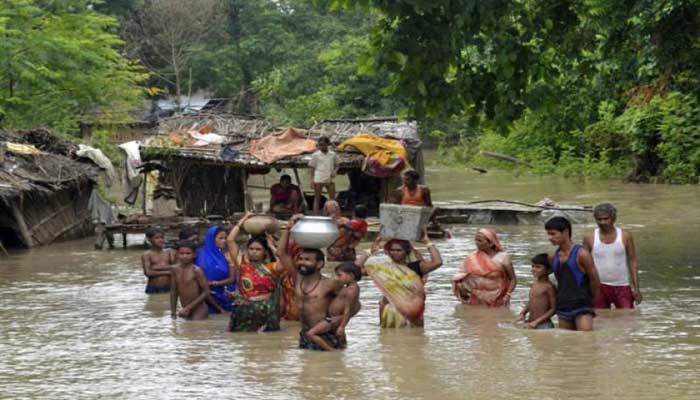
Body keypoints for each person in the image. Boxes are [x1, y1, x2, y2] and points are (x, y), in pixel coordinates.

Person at [278, 214, 346, 350]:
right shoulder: (298, 278)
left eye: (307, 260)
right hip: (305, 335)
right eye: (300, 259)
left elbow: (352, 305)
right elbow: (281, 253)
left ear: (320, 264)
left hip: (325, 336)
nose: (302, 263)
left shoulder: (331, 283)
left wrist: (338, 325)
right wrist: (287, 228)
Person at [357, 230, 443, 328]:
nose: (395, 253)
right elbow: (355, 269)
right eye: (392, 250)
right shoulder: (382, 268)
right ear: (388, 252)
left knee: (414, 339)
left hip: (413, 310)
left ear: (406, 252)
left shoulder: (417, 267)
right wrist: (370, 251)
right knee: (388, 339)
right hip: (389, 309)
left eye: (399, 250)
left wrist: (427, 241)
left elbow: (437, 262)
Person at [227, 213, 286, 332]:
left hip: (264, 311)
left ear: (265, 252)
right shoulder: (242, 264)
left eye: (258, 249)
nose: (254, 252)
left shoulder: (270, 268)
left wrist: (272, 246)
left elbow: (284, 262)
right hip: (243, 310)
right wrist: (243, 220)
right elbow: (230, 240)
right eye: (251, 249)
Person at [545, 216, 601, 331]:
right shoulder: (553, 257)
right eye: (548, 234)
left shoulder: (582, 254)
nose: (550, 238)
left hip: (582, 306)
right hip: (563, 306)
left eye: (553, 234)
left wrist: (591, 301)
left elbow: (595, 280)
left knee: (586, 342)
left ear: (565, 232)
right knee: (568, 345)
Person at [583, 203, 641, 309]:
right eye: (599, 219)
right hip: (598, 286)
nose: (602, 222)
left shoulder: (625, 236)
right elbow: (584, 264)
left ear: (613, 218)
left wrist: (636, 288)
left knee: (627, 319)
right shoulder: (589, 237)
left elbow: (632, 261)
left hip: (622, 285)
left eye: (606, 219)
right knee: (600, 319)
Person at [452, 229, 516, 307]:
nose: (476, 243)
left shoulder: (503, 257)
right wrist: (461, 287)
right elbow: (461, 276)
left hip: (498, 298)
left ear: (491, 243)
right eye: (475, 240)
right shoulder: (471, 257)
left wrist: (508, 295)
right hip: (475, 298)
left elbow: (513, 279)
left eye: (480, 240)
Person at [305, 262, 362, 350]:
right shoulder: (347, 287)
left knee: (311, 333)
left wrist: (342, 326)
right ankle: (342, 351)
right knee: (340, 341)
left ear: (351, 275)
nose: (337, 278)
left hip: (335, 319)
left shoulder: (352, 290)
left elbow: (348, 309)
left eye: (340, 275)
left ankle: (332, 352)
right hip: (334, 318)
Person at [195, 226, 236, 314]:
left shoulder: (226, 255)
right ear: (211, 239)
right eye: (220, 238)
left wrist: (214, 283)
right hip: (208, 297)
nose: (224, 241)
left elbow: (232, 278)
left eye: (225, 238)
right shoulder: (200, 256)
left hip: (226, 296)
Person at [170, 240, 211, 320]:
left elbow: (206, 292)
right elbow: (173, 291)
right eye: (181, 253)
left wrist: (188, 308)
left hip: (199, 309)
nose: (184, 256)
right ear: (177, 254)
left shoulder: (196, 270)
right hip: (185, 309)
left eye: (188, 253)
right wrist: (173, 312)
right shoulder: (174, 269)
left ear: (194, 255)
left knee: (194, 328)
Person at [518, 254, 556, 329]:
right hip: (530, 323)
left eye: (538, 267)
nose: (534, 269)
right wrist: (523, 313)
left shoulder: (549, 287)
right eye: (533, 266)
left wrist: (537, 321)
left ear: (548, 270)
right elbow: (531, 301)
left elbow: (554, 309)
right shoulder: (534, 283)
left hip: (544, 325)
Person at [309, 136, 338, 215]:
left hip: (329, 178)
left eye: (324, 145)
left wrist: (335, 171)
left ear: (327, 144)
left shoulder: (333, 154)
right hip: (318, 178)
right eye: (320, 145)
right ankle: (316, 215)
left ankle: (332, 214)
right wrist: (312, 180)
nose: (322, 147)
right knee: (317, 198)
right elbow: (312, 168)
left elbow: (337, 164)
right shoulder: (315, 155)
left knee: (332, 199)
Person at [142, 228, 176, 294]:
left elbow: (176, 267)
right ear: (149, 239)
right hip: (153, 287)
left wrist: (156, 268)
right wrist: (169, 272)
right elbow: (148, 273)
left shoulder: (170, 251)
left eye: (162, 237)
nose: (160, 240)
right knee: (154, 303)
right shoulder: (147, 254)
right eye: (156, 238)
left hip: (169, 287)